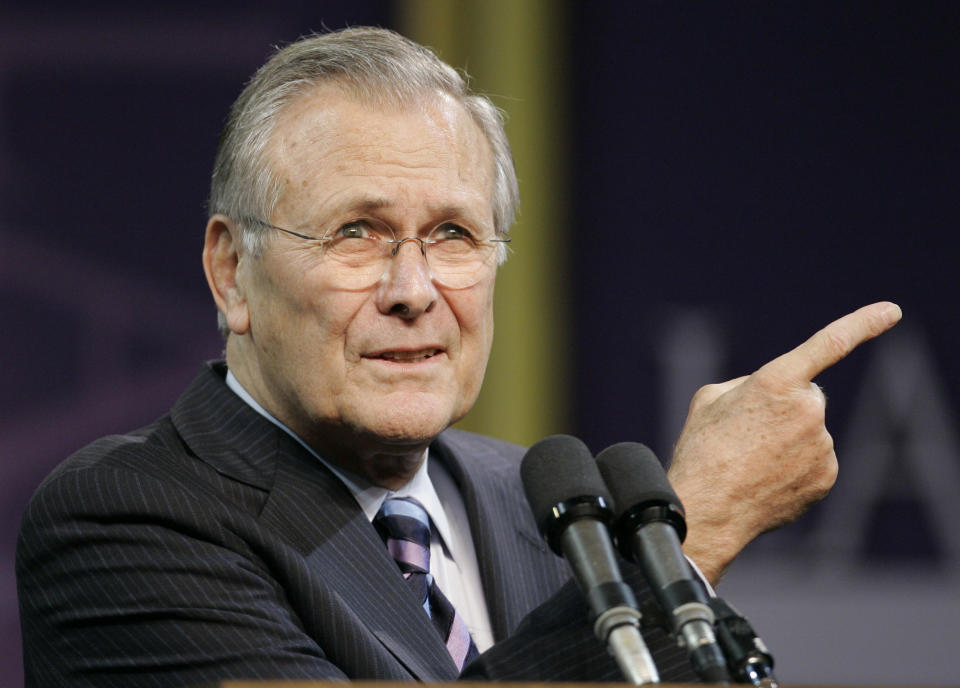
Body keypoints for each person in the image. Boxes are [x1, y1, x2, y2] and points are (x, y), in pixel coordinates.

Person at [16, 27, 901, 687]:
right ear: (229, 271)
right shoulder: (124, 518)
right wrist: (697, 527)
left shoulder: (553, 510)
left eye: (452, 235)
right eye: (356, 233)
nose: (413, 287)